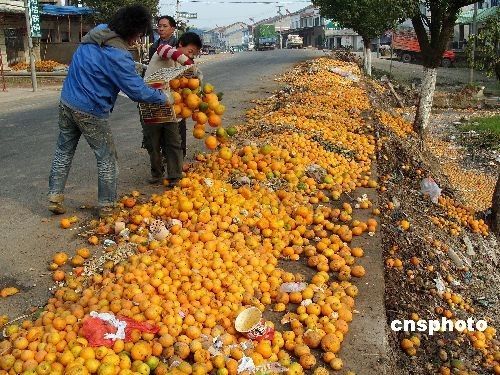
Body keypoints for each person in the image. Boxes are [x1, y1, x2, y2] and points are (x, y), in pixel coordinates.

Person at [48, 5, 171, 218]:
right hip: (90, 109)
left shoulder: (100, 32)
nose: (138, 40)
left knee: (64, 149)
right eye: (139, 35)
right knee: (107, 157)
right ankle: (107, 206)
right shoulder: (118, 56)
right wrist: (163, 97)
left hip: (67, 100)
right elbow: (136, 91)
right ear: (130, 30)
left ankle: (54, 196)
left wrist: (136, 66)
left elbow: (104, 61)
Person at [142, 32, 202, 186]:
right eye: (190, 51)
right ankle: (157, 174)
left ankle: (175, 175)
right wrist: (188, 62)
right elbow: (164, 49)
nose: (191, 56)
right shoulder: (165, 51)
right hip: (151, 103)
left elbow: (187, 82)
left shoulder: (179, 65)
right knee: (152, 142)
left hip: (169, 106)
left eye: (194, 54)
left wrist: (195, 76)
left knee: (174, 140)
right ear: (180, 44)